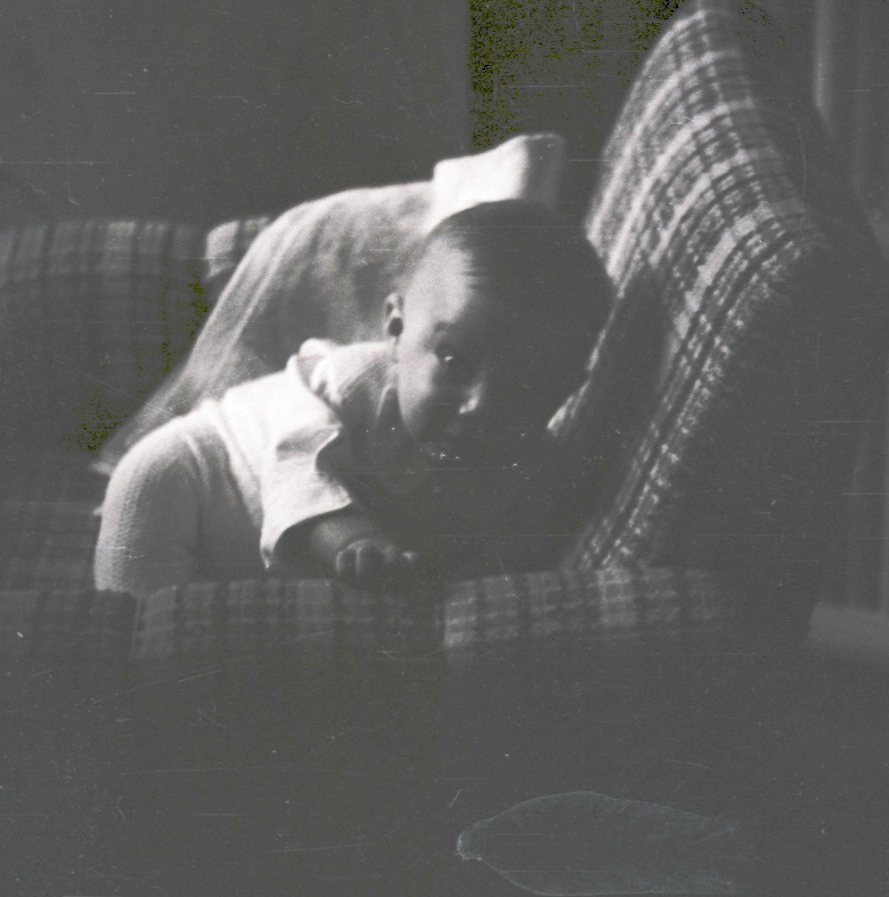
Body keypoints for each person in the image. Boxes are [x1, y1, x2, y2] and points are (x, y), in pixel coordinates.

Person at [92, 199, 612, 599]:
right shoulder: (350, 381)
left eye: (525, 388)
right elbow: (298, 461)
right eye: (454, 362)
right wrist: (350, 540)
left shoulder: (533, 467)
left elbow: (511, 549)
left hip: (280, 569)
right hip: (209, 480)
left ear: (565, 390)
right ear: (396, 326)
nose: (481, 407)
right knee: (146, 483)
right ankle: (127, 663)